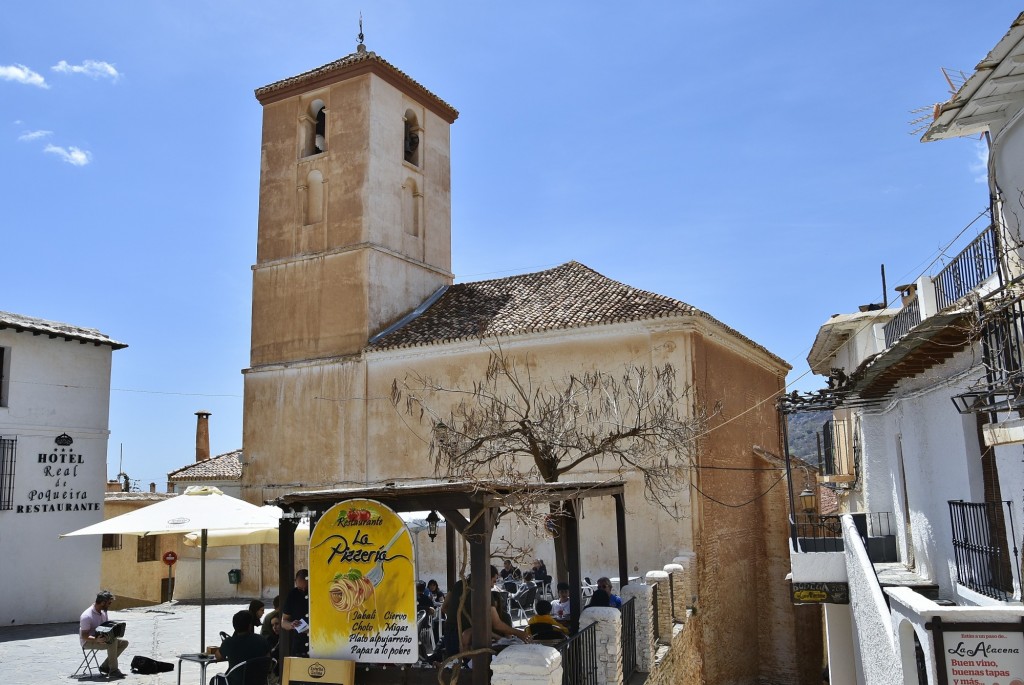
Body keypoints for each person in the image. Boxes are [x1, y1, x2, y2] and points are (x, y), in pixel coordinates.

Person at [79, 590, 128, 678]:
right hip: (88, 641)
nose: (110, 605)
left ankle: (105, 666)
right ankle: (113, 670)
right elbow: (84, 636)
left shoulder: (103, 612)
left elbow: (106, 627)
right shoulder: (86, 616)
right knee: (112, 642)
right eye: (109, 603)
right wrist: (96, 639)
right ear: (102, 602)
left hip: (101, 637)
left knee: (124, 642)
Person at [217, 610, 271, 685]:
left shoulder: (228, 642)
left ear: (234, 626)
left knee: (214, 680)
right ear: (249, 625)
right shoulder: (262, 640)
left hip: (236, 682)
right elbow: (268, 660)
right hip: (259, 681)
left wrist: (222, 647)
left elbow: (219, 657)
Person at [281, 569, 310, 657]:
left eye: (307, 589)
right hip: (299, 645)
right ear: (295, 582)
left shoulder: (318, 593)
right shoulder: (293, 595)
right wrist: (291, 624)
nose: (304, 591)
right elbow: (283, 622)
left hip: (318, 643)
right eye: (300, 589)